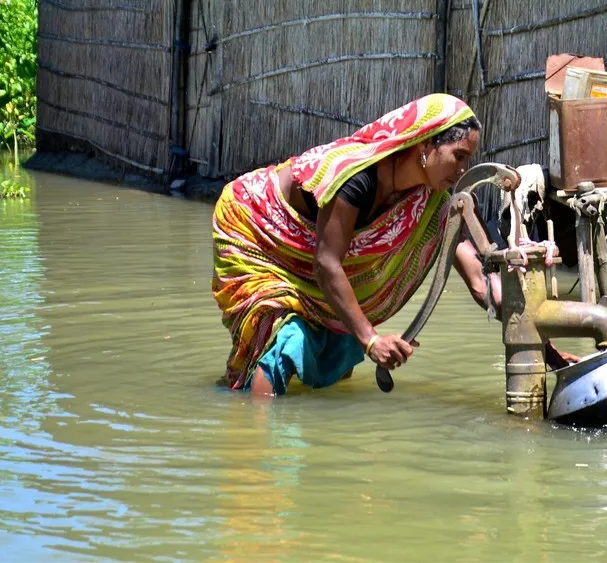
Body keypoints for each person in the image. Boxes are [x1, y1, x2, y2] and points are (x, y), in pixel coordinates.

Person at [212, 93, 497, 396]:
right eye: (460, 155)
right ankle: (252, 428)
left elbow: (480, 282)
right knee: (281, 336)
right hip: (253, 226)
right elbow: (326, 264)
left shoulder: (430, 200)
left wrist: (538, 338)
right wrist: (371, 340)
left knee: (342, 324)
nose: (464, 169)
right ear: (426, 144)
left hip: (312, 252)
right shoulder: (358, 176)